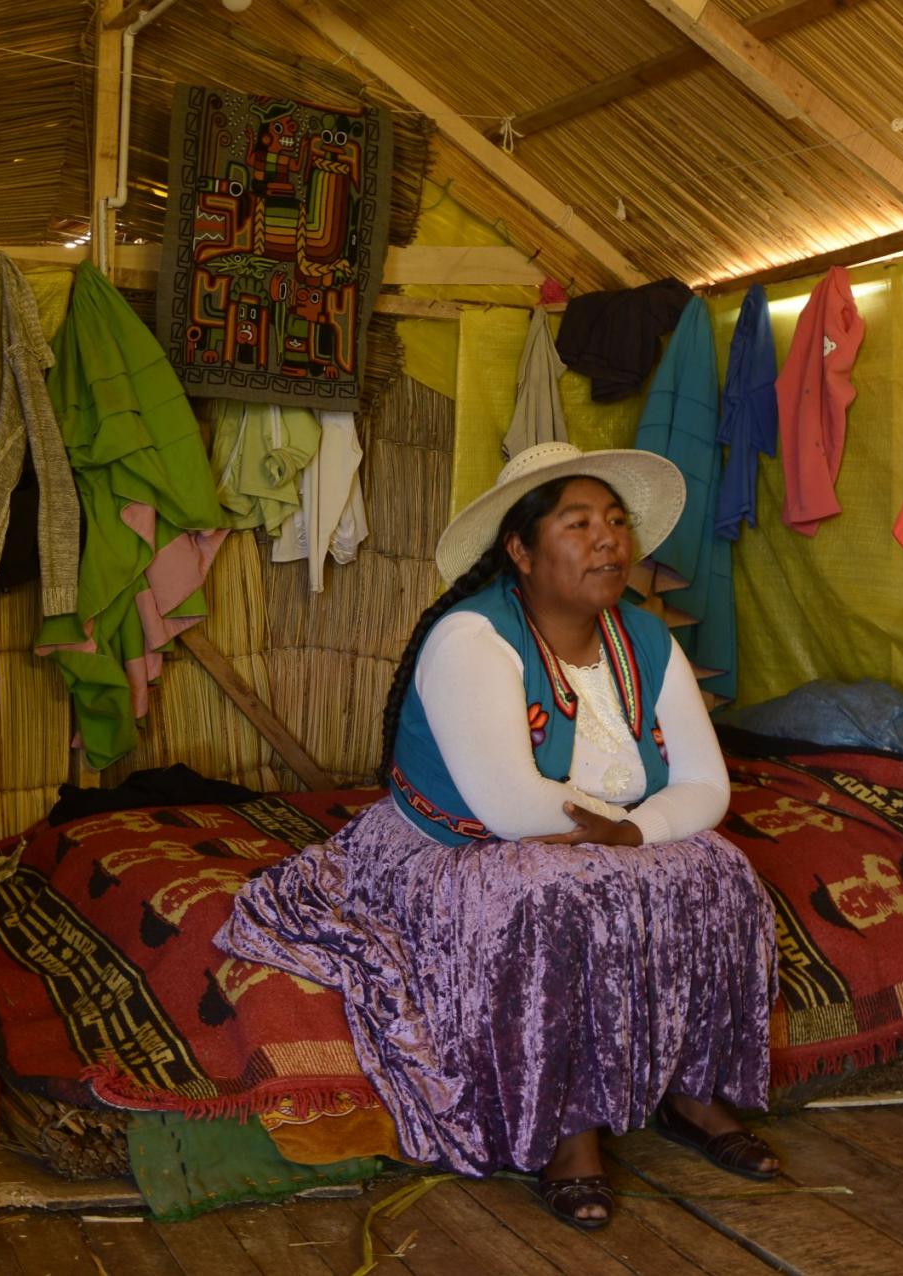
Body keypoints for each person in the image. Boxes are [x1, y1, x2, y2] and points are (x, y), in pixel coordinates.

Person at [216, 442, 780, 1231]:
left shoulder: (647, 641)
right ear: (520, 550)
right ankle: (565, 1129)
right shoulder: (472, 641)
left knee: (721, 873)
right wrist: (625, 841)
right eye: (578, 523)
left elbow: (706, 786)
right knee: (552, 896)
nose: (609, 540)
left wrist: (638, 832)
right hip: (461, 846)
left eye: (616, 522)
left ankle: (690, 1092)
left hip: (602, 836)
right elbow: (511, 809)